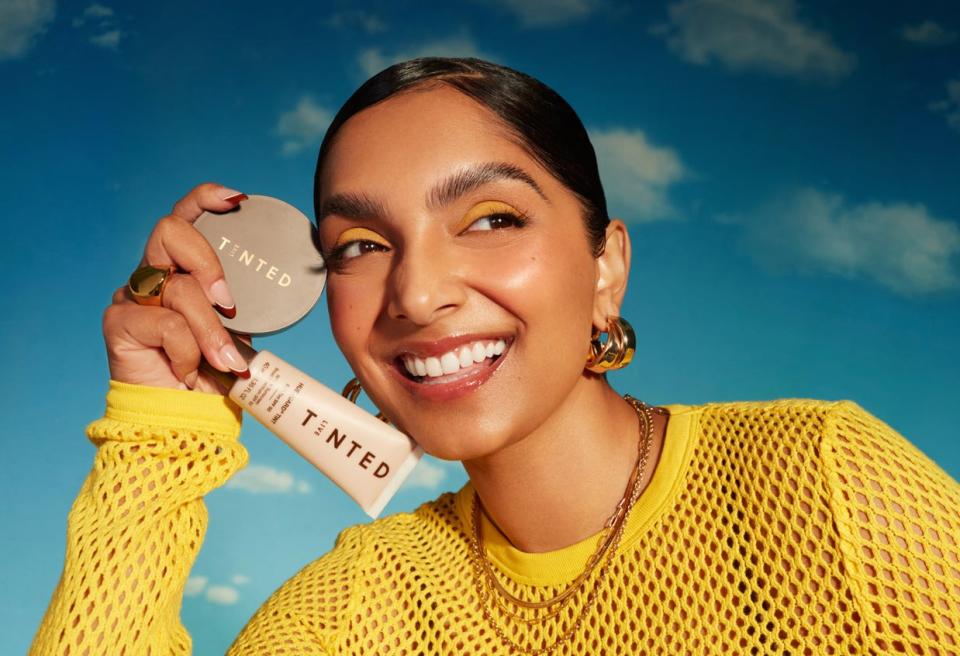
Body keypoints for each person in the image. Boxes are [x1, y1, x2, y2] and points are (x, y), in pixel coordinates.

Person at [30, 57, 960, 656]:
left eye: (491, 219)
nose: (417, 294)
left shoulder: (821, 487)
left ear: (607, 266)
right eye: (360, 243)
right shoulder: (353, 610)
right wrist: (161, 423)